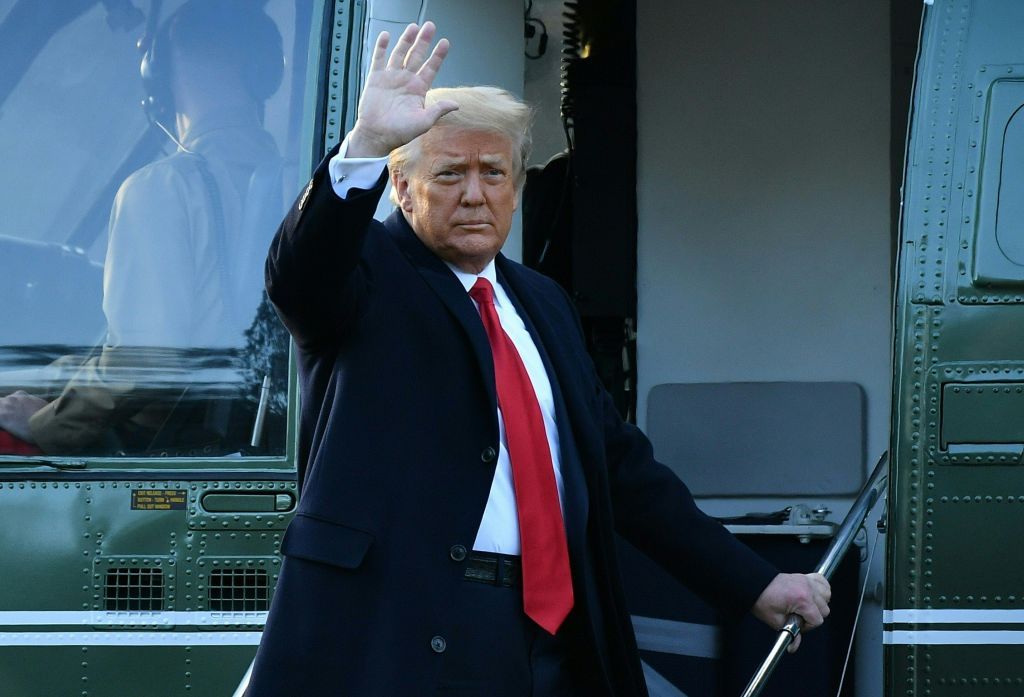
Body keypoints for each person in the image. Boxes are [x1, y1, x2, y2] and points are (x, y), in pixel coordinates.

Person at [247, 22, 831, 697]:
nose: (475, 193)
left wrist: (754, 581)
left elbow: (624, 471)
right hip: (406, 630)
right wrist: (367, 146)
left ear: (517, 188)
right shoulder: (368, 271)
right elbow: (300, 275)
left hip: (547, 633)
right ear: (402, 190)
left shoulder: (542, 302)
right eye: (449, 174)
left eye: (493, 172)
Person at [0, 0, 284, 455]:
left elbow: (147, 360)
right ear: (265, 74)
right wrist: (52, 377)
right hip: (234, 432)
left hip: (161, 444)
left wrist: (47, 423)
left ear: (160, 75)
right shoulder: (292, 185)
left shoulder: (163, 187)